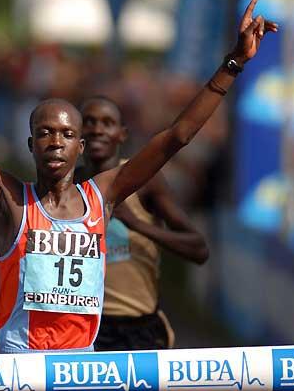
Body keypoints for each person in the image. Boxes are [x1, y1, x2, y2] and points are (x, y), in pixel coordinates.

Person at [0, 0, 276, 353]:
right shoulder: (9, 198)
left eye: (66, 133)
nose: (55, 141)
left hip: (82, 371)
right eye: (45, 133)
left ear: (81, 146)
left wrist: (234, 62)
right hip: (22, 370)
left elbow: (176, 137)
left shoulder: (102, 196)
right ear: (30, 145)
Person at [77, 96, 209, 350]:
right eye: (89, 122)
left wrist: (136, 224)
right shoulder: (69, 186)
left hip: (139, 328)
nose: (97, 129)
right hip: (85, 326)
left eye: (107, 123)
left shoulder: (145, 183)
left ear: (122, 134)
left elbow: (199, 249)